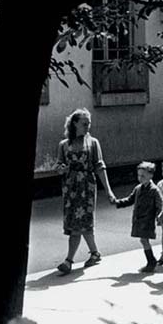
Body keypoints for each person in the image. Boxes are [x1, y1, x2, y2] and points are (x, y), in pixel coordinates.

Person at [55, 108, 115, 275]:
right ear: (74, 123)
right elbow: (58, 165)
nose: (87, 127)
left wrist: (109, 191)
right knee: (80, 223)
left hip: (87, 186)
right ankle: (95, 253)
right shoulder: (64, 145)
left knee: (80, 223)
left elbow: (100, 167)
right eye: (84, 123)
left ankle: (68, 261)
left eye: (89, 123)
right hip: (70, 187)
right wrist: (61, 169)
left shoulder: (93, 143)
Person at [113, 162, 163, 273]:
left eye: (143, 176)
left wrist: (160, 216)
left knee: (144, 240)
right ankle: (151, 260)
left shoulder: (154, 190)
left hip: (147, 220)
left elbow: (160, 204)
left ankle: (151, 261)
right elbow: (130, 200)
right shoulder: (138, 188)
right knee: (143, 240)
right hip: (138, 220)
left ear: (151, 176)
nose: (140, 178)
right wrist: (117, 202)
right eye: (139, 175)